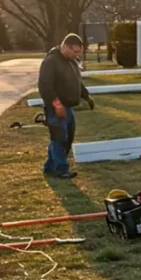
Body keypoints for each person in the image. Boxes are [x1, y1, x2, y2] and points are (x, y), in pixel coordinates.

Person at [37, 33, 94, 179]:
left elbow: (77, 81)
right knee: (59, 137)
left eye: (78, 52)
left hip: (67, 107)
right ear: (66, 46)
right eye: (74, 51)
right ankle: (61, 169)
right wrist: (57, 105)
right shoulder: (51, 61)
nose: (76, 55)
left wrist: (86, 96)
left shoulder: (71, 61)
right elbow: (45, 86)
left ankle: (50, 167)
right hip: (55, 107)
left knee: (67, 137)